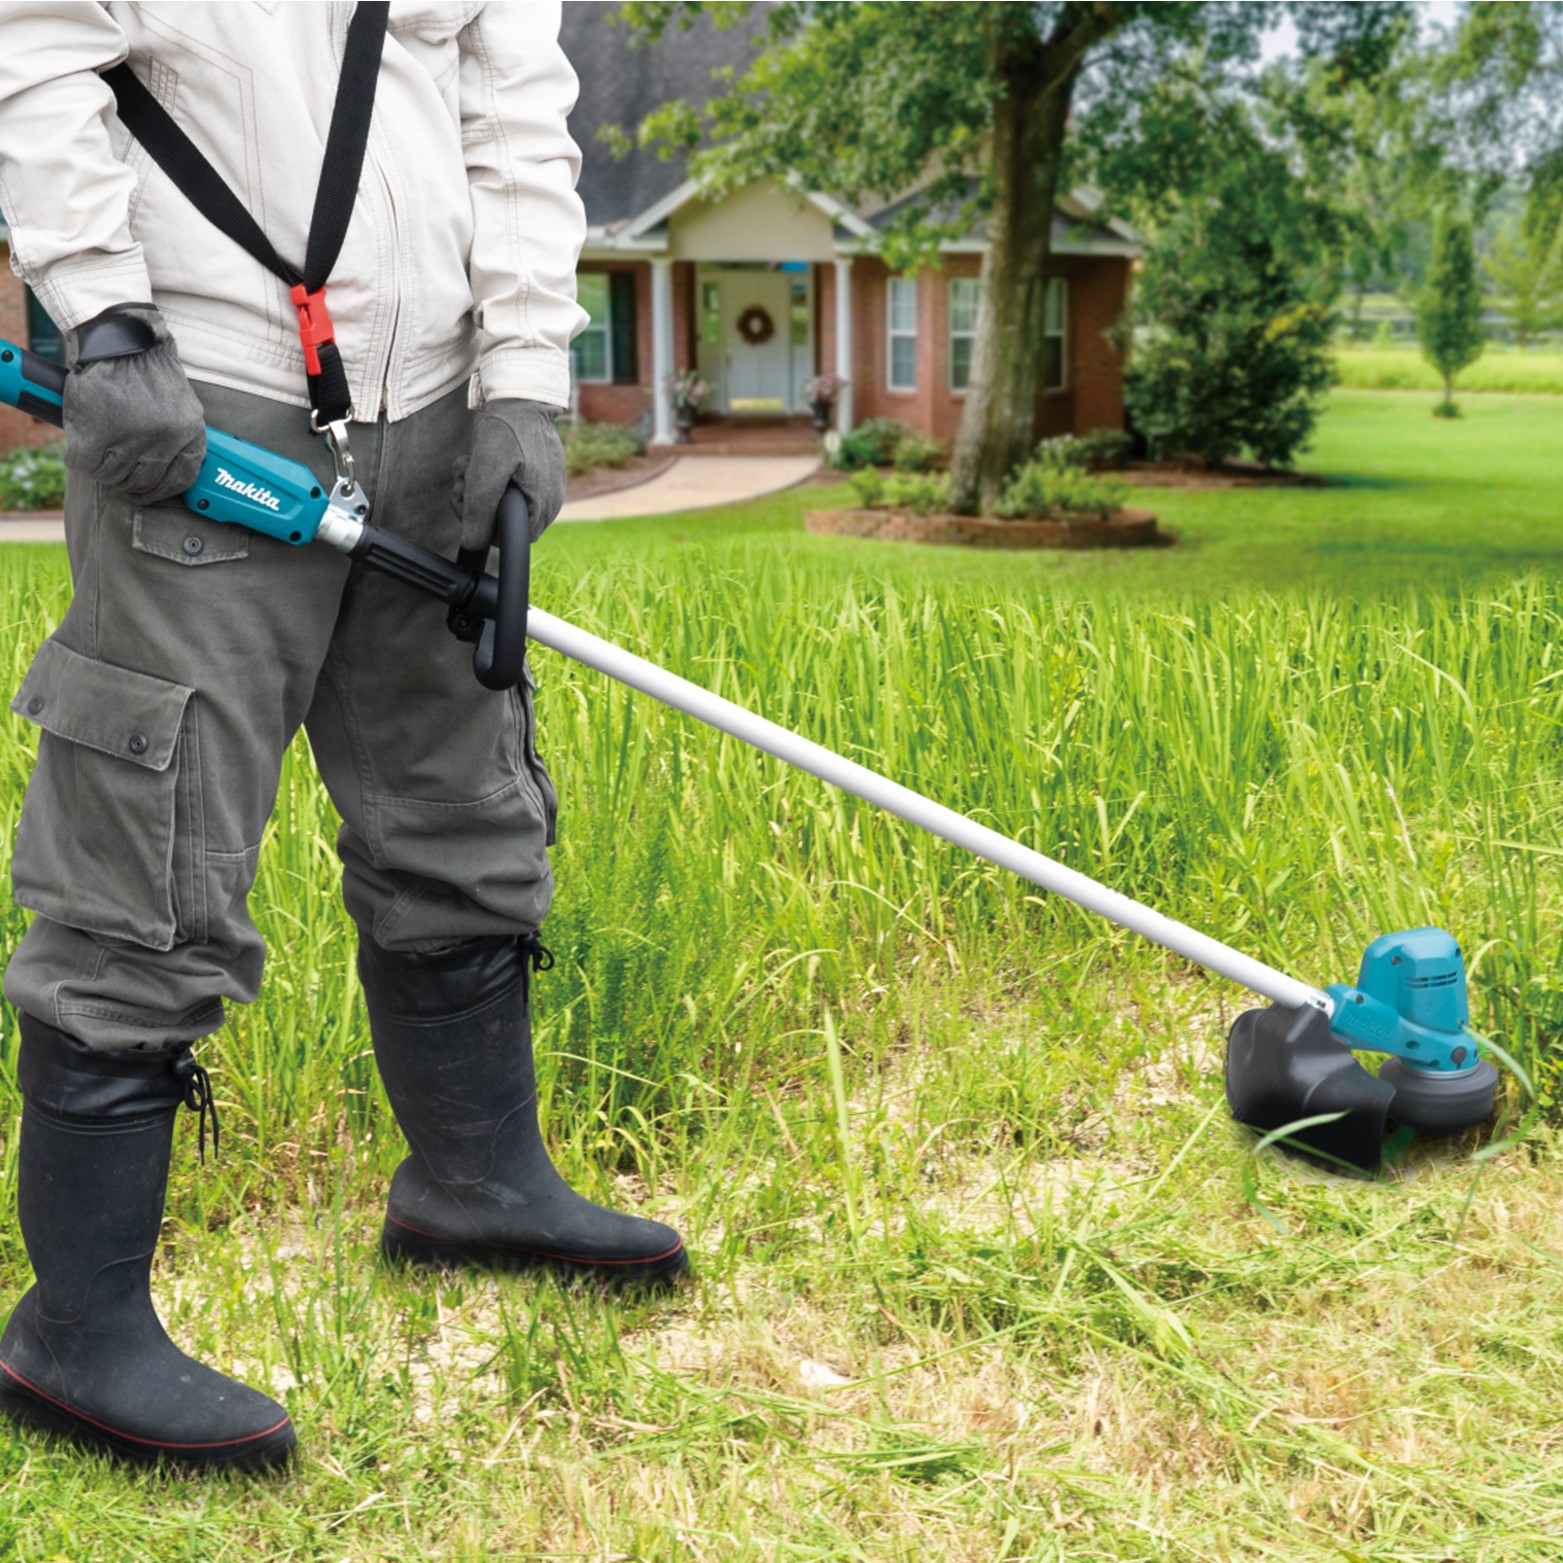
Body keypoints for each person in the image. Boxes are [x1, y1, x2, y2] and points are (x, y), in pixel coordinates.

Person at [0, 1, 686, 1472]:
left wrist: (522, 385)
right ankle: (76, 1326)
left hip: (432, 400)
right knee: (148, 851)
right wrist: (105, 322)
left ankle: (476, 1183)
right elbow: (31, 50)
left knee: (463, 807)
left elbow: (517, 113)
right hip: (203, 405)